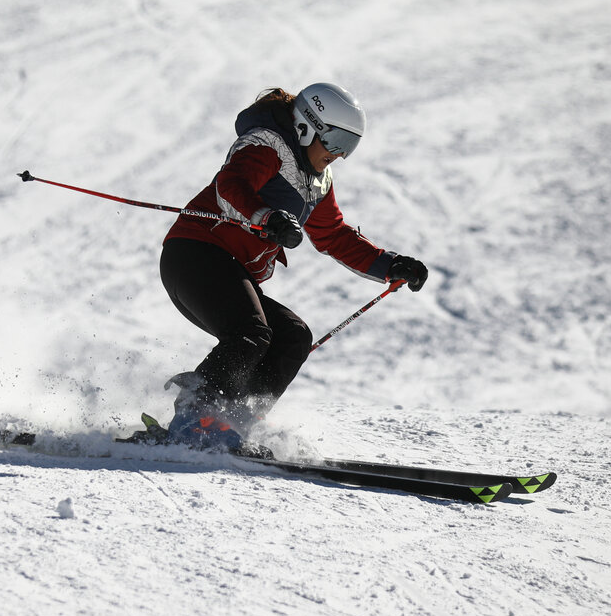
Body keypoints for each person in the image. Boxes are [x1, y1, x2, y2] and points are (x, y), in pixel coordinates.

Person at [159, 83, 428, 449]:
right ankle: (193, 418)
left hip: (231, 271)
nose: (339, 155)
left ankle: (234, 423)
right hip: (194, 256)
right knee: (251, 333)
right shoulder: (267, 146)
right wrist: (265, 216)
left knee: (292, 336)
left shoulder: (317, 181)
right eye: (334, 142)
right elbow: (232, 185)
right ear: (306, 127)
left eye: (349, 146)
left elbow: (333, 234)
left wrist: (390, 265)